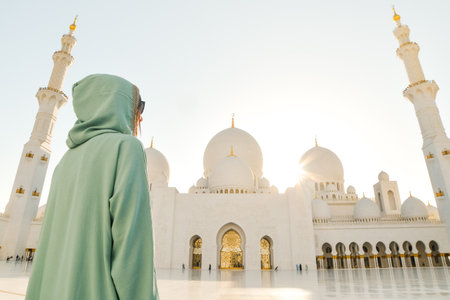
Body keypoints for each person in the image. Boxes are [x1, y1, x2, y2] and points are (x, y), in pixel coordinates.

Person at [25, 74, 158, 300]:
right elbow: (132, 253)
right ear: (116, 105)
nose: (140, 119)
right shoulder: (127, 149)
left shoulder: (64, 163)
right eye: (138, 107)